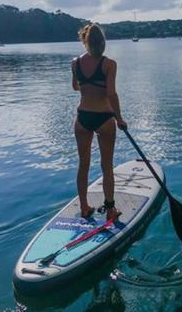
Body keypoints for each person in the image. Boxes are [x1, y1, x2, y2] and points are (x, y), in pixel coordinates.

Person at [71, 23, 128, 221]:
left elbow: (75, 87)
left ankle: (85, 206)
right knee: (107, 165)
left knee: (83, 165)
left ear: (85, 41)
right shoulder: (109, 64)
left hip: (82, 117)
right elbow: (110, 93)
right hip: (104, 117)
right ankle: (110, 210)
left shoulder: (75, 62)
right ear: (102, 42)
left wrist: (88, 84)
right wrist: (119, 118)